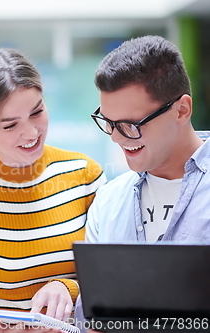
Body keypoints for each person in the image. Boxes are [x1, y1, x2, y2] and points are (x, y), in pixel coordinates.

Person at [0, 48, 106, 333]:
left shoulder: (85, 175)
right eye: (10, 125)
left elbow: (110, 276)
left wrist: (69, 288)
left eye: (37, 112)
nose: (31, 133)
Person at [71, 35, 210, 331]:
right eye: (108, 122)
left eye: (130, 125)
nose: (116, 138)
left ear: (182, 110)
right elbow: (92, 319)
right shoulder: (109, 201)